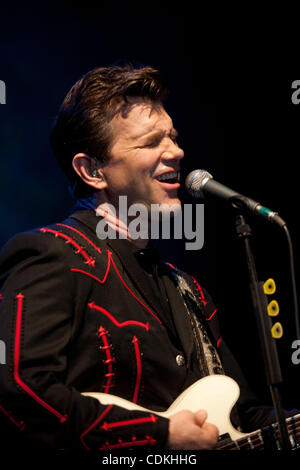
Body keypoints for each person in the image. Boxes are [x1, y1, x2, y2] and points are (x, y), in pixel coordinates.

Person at [0, 65, 295, 454]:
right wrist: (161, 435)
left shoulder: (188, 291)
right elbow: (17, 389)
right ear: (92, 170)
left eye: (172, 137)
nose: (176, 151)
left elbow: (245, 416)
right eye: (151, 142)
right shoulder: (54, 255)